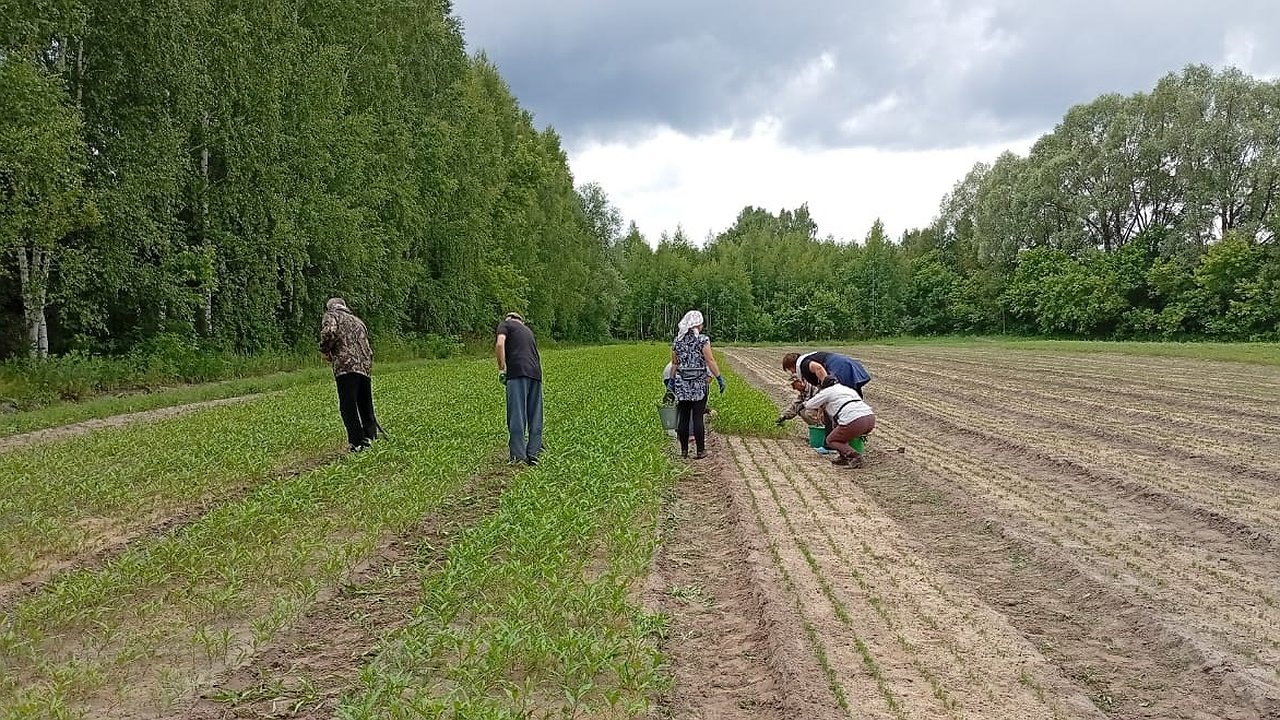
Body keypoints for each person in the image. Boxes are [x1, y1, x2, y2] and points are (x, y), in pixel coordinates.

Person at [319, 297, 380, 452]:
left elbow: (329, 332)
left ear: (331, 306)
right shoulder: (358, 321)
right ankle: (371, 436)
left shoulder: (331, 315)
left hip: (346, 366)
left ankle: (358, 442)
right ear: (344, 306)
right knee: (365, 404)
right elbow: (367, 345)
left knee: (348, 406)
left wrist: (326, 350)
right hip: (364, 365)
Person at [670, 310, 725, 459]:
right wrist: (718, 377)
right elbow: (710, 360)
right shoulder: (702, 340)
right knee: (698, 417)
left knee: (684, 417)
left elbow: (675, 363)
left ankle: (684, 451)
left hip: (682, 383)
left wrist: (671, 382)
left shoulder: (677, 340)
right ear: (698, 324)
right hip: (699, 383)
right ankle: (700, 451)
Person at [496, 312, 543, 466]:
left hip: (517, 372)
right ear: (521, 320)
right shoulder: (528, 331)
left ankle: (518, 456)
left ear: (509, 318)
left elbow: (500, 344)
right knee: (535, 413)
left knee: (517, 413)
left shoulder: (506, 325)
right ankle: (534, 453)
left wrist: (502, 369)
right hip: (536, 373)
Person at [803, 376, 876, 467]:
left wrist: (804, 403)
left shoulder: (828, 391)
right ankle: (843, 458)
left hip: (855, 420)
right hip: (870, 418)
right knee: (839, 434)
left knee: (831, 440)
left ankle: (854, 456)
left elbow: (810, 405)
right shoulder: (847, 389)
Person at [782, 351, 872, 398]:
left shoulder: (803, 364)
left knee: (843, 398)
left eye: (790, 369)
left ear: (791, 365)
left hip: (839, 368)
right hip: (845, 363)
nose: (793, 372)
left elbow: (818, 368)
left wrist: (828, 386)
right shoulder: (807, 359)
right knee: (854, 395)